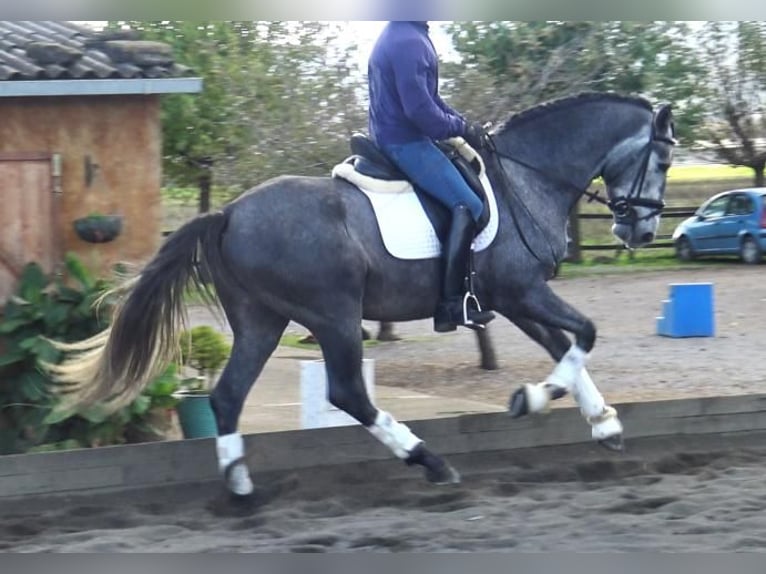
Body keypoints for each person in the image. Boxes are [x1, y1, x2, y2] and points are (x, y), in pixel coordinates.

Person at [367, 21, 495, 333]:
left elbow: (432, 101)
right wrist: (460, 129)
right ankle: (453, 304)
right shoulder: (408, 41)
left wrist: (463, 124)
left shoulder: (405, 34)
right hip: (405, 141)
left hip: (400, 135)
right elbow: (420, 110)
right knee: (468, 205)